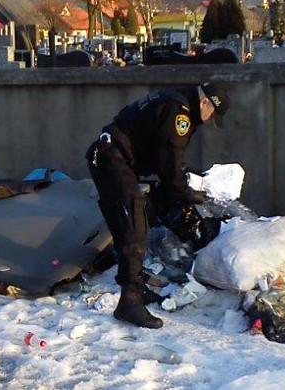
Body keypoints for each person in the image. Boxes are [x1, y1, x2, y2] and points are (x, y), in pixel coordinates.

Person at [85, 82, 231, 328]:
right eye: (211, 115)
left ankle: (137, 289)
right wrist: (188, 193)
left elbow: (165, 155)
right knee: (133, 228)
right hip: (112, 159)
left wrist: (181, 181)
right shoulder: (180, 113)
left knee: (135, 220)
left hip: (114, 157)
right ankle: (128, 303)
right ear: (205, 102)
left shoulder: (177, 98)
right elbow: (169, 165)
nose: (208, 121)